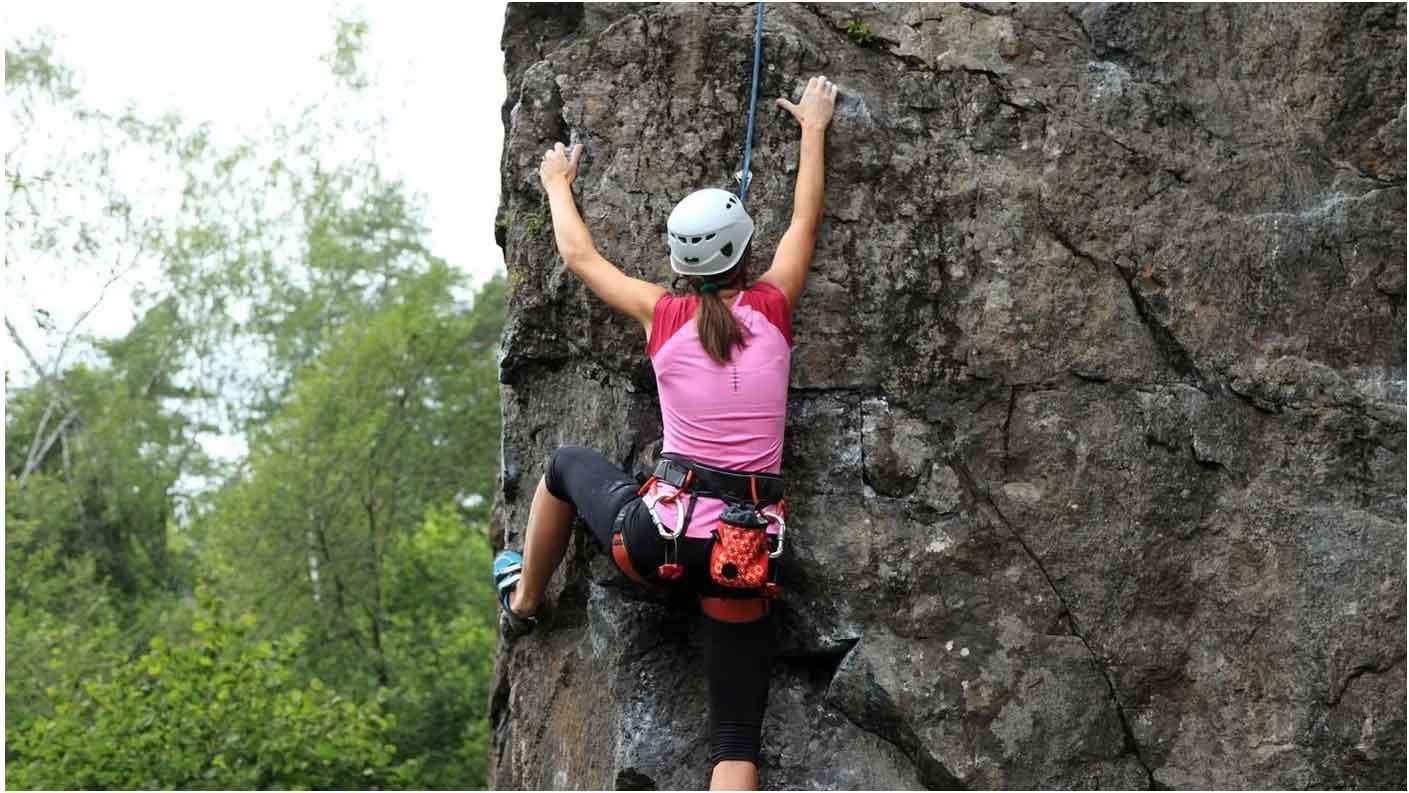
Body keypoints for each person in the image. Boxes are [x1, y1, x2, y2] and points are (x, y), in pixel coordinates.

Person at [493, 75, 838, 791]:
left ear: (678, 263)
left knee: (562, 466)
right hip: (740, 555)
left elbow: (581, 258)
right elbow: (805, 221)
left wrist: (558, 182)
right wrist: (812, 128)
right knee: (734, 741)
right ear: (745, 253)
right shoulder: (774, 307)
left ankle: (525, 599)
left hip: (658, 541)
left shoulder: (663, 316)